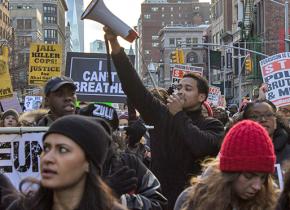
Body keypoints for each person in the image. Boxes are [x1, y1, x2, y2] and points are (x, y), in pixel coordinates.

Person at [104, 27, 224, 209]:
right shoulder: (161, 115)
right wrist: (115, 46)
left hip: (194, 202)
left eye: (188, 89)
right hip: (162, 201)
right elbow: (135, 88)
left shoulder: (212, 125)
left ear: (202, 97)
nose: (181, 91)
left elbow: (200, 146)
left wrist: (178, 115)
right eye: (179, 87)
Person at [5, 115, 127, 210]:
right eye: (46, 148)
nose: (48, 158)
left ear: (88, 162)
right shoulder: (23, 207)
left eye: (63, 150)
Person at [79, 103, 168, 210]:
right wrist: (103, 193)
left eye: (105, 130)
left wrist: (123, 201)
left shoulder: (129, 163)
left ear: (112, 134)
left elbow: (159, 203)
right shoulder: (68, 163)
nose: (98, 135)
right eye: (92, 129)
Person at [174, 120, 278, 210]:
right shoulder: (191, 200)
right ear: (229, 173)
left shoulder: (273, 203)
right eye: (248, 176)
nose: (257, 186)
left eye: (263, 177)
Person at [242, 99, 290, 166]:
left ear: (275, 121)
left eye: (268, 115)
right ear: (245, 122)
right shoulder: (235, 153)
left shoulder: (288, 153)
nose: (263, 119)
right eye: (255, 116)